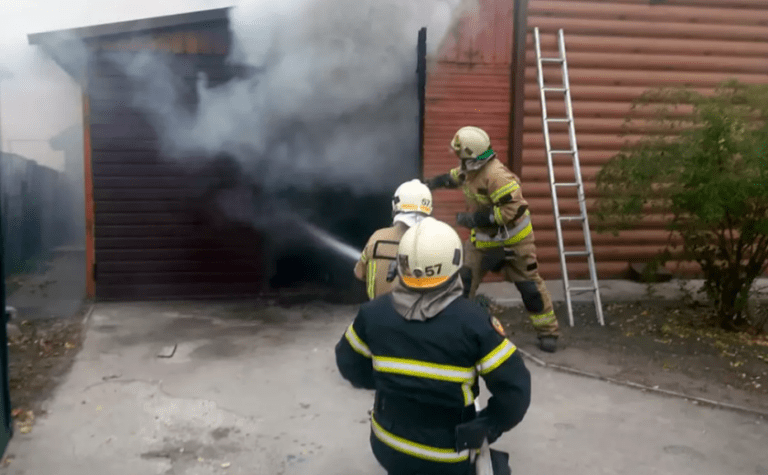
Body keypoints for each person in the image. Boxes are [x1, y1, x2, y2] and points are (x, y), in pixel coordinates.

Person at [336, 217, 531, 475]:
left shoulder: (373, 313)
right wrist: (488, 426)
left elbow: (348, 364)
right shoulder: (474, 323)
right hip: (448, 457)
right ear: (454, 263)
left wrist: (390, 382)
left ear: (401, 263)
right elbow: (515, 392)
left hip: (387, 447)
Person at [425, 125, 560, 353]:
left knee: (530, 289)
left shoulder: (497, 176)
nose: (457, 158)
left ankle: (548, 332)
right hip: (482, 243)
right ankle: (456, 330)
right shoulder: (472, 168)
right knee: (463, 284)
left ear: (471, 154)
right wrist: (431, 184)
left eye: (460, 153)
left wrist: (474, 218)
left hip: (514, 243)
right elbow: (455, 177)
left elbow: (514, 210)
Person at [354, 179, 433, 300]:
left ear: (395, 204)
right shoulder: (435, 242)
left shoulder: (377, 238)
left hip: (377, 314)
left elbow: (359, 273)